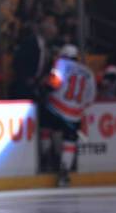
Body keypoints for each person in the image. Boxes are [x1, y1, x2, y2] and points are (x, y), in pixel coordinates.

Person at [40, 44, 96, 187]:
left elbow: (53, 83)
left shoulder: (61, 64)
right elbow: (89, 99)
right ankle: (64, 173)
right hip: (75, 114)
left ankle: (46, 158)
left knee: (46, 128)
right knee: (69, 142)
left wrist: (42, 88)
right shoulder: (88, 72)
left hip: (55, 107)